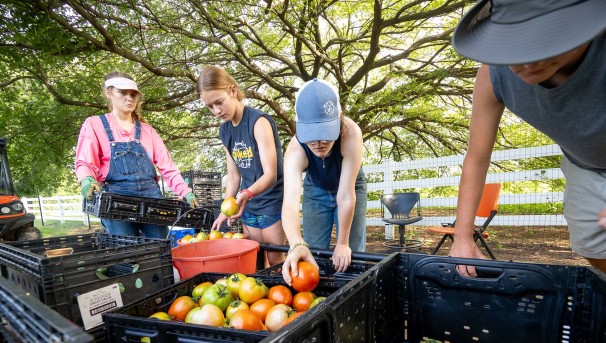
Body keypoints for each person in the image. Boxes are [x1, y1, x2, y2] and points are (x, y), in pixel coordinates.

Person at [449, 0, 606, 275]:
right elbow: (476, 157)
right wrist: (462, 237)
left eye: (543, 43)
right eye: (514, 44)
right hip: (584, 163)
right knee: (593, 246)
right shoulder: (493, 75)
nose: (527, 62)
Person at [75, 72, 198, 239]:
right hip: (116, 201)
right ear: (108, 93)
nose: (129, 98)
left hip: (151, 200)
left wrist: (186, 192)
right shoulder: (95, 124)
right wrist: (87, 180)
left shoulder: (148, 131)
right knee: (125, 250)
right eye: (123, 93)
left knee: (158, 250)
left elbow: (168, 168)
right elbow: (85, 161)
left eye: (133, 94)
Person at [197, 65, 286, 267]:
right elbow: (233, 174)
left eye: (219, 102)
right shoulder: (225, 131)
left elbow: (270, 174)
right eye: (210, 106)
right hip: (248, 205)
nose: (216, 111)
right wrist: (226, 208)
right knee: (255, 259)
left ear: (233, 91)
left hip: (271, 202)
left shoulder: (259, 122)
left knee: (275, 260)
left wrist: (247, 193)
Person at [281, 78, 367, 284]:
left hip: (350, 186)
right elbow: (290, 204)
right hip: (315, 189)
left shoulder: (351, 133)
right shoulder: (295, 149)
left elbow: (346, 196)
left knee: (351, 254)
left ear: (338, 119)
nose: (319, 143)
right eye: (311, 135)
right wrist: (296, 243)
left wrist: (343, 243)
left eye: (325, 134)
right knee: (313, 251)